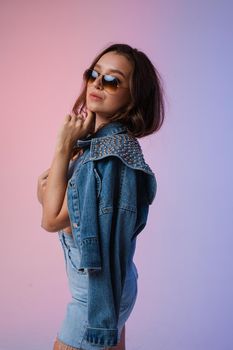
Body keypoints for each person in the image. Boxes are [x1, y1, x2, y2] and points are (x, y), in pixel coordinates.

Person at [37, 43, 165, 350]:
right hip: (112, 284)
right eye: (94, 74)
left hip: (96, 294)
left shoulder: (107, 156)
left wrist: (61, 147)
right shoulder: (97, 146)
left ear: (133, 97)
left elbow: (50, 218)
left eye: (112, 80)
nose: (97, 83)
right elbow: (48, 196)